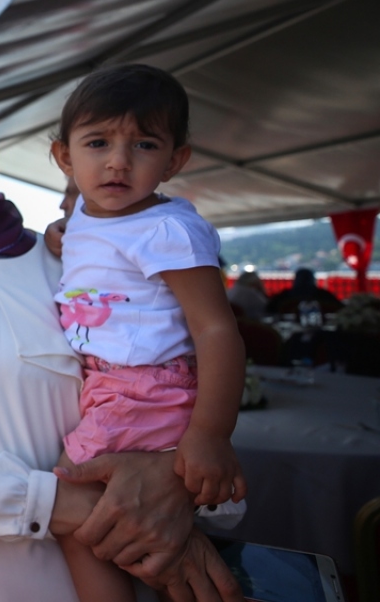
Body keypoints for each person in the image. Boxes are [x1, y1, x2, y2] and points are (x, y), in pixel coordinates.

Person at [0, 78, 242, 602]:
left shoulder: (67, 260)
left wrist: (168, 481)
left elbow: (177, 369)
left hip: (120, 553)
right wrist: (63, 504)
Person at [48, 65, 247, 602]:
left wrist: (211, 434)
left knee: (76, 509)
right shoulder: (85, 213)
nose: (118, 160)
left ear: (174, 160)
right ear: (64, 156)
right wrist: (57, 234)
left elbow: (216, 329)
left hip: (143, 390)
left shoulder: (167, 230)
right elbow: (80, 237)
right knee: (135, 534)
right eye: (98, 142)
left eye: (144, 144)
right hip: (110, 388)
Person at [266, 267, 344, 316]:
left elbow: (268, 309)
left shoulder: (284, 296)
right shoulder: (323, 295)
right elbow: (341, 308)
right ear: (313, 280)